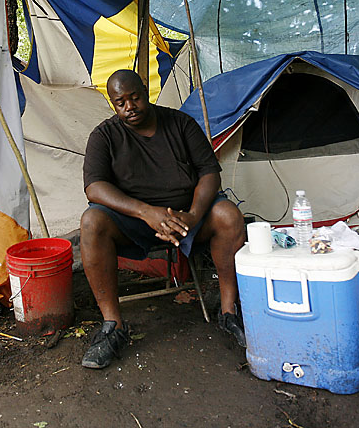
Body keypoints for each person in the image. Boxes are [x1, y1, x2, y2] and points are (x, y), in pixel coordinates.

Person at [79, 69, 247, 369]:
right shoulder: (104, 135)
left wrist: (194, 215)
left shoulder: (180, 123)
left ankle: (228, 312)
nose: (129, 107)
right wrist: (146, 212)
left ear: (146, 92)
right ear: (113, 104)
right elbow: (94, 187)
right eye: (120, 102)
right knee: (92, 221)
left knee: (229, 215)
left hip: (187, 215)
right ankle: (113, 326)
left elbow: (209, 172)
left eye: (135, 98)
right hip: (135, 220)